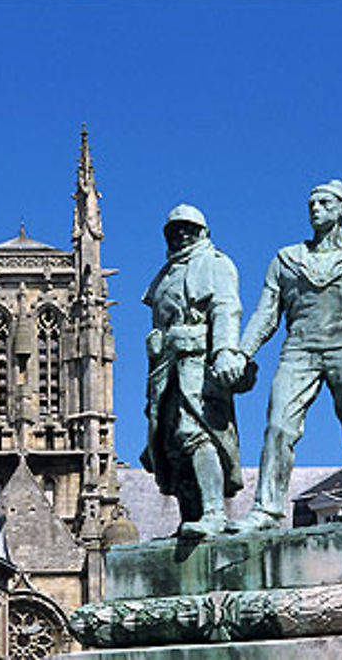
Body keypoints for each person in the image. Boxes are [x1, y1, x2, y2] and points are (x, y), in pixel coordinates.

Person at [232, 179, 342, 531]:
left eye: (324, 203)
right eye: (311, 204)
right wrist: (241, 352)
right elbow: (266, 314)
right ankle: (267, 510)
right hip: (299, 347)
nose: (315, 209)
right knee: (278, 427)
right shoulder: (287, 259)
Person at [140, 204, 249, 537]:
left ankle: (214, 512)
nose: (181, 234)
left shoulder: (215, 264)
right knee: (171, 444)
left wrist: (226, 351)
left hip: (198, 364)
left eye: (188, 228)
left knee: (194, 433)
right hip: (166, 369)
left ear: (202, 232)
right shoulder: (166, 274)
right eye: (174, 230)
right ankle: (191, 518)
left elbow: (226, 308)